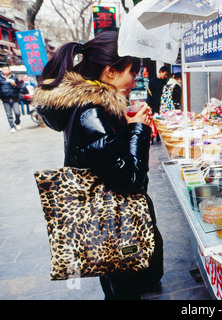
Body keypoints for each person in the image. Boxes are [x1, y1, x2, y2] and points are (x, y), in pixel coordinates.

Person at [33, 31, 163, 300]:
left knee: (116, 282)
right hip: (113, 223)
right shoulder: (92, 113)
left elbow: (102, 153)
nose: (134, 79)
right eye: (132, 71)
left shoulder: (88, 107)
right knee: (123, 289)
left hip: (105, 219)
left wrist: (125, 126)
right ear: (110, 72)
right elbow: (131, 177)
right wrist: (138, 129)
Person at [146, 66, 169, 143]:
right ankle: (152, 138)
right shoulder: (152, 81)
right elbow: (149, 95)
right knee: (153, 121)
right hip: (153, 105)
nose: (165, 77)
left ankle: (159, 137)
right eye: (165, 74)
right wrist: (149, 106)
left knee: (161, 121)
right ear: (161, 72)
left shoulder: (164, 82)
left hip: (162, 105)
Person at [0, 65, 22, 133]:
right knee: (9, 114)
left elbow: (20, 87)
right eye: (3, 70)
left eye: (6, 69)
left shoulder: (14, 78)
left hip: (14, 98)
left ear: (9, 70)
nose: (5, 71)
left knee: (17, 112)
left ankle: (17, 122)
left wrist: (14, 85)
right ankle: (12, 127)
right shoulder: (0, 79)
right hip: (5, 99)